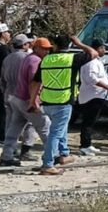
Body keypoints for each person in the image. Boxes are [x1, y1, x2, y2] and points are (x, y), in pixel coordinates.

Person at [29, 35, 97, 171]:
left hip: (47, 101)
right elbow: (93, 53)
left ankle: (63, 154)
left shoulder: (46, 60)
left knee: (61, 128)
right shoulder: (72, 59)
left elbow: (36, 82)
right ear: (70, 45)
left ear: (55, 45)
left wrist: (33, 101)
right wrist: (79, 43)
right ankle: (48, 164)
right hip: (63, 100)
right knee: (55, 133)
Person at [0, 37, 56, 172]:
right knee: (45, 126)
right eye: (44, 49)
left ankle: (6, 156)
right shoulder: (35, 61)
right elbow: (34, 82)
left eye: (48, 49)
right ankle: (53, 157)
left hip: (16, 97)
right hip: (27, 99)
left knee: (14, 128)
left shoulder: (27, 58)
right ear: (36, 48)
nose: (47, 51)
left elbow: (3, 79)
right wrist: (34, 102)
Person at [0, 33, 38, 162]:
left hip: (9, 93)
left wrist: (4, 92)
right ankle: (26, 150)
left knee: (11, 123)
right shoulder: (28, 58)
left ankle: (11, 150)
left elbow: (2, 79)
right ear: (24, 45)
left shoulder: (8, 58)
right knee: (30, 123)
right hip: (23, 94)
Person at [77, 39, 108, 155]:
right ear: (97, 49)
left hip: (97, 95)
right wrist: (106, 86)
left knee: (91, 122)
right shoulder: (91, 62)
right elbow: (92, 78)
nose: (104, 50)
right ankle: (84, 145)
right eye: (103, 48)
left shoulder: (97, 61)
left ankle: (88, 144)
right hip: (92, 96)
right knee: (88, 122)